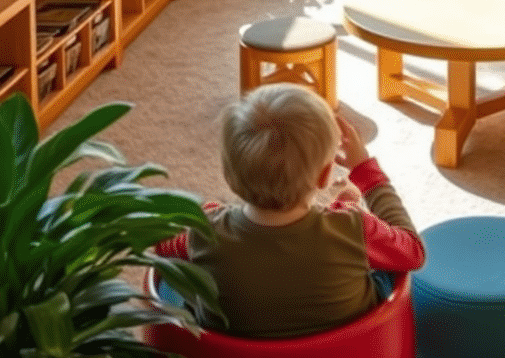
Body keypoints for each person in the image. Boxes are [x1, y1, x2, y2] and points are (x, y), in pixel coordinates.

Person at [154, 84, 425, 339]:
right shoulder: (355, 228)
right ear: (325, 175)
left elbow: (165, 246)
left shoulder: (206, 229)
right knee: (382, 265)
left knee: (181, 279)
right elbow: (413, 251)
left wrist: (201, 214)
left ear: (229, 175)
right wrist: (365, 174)